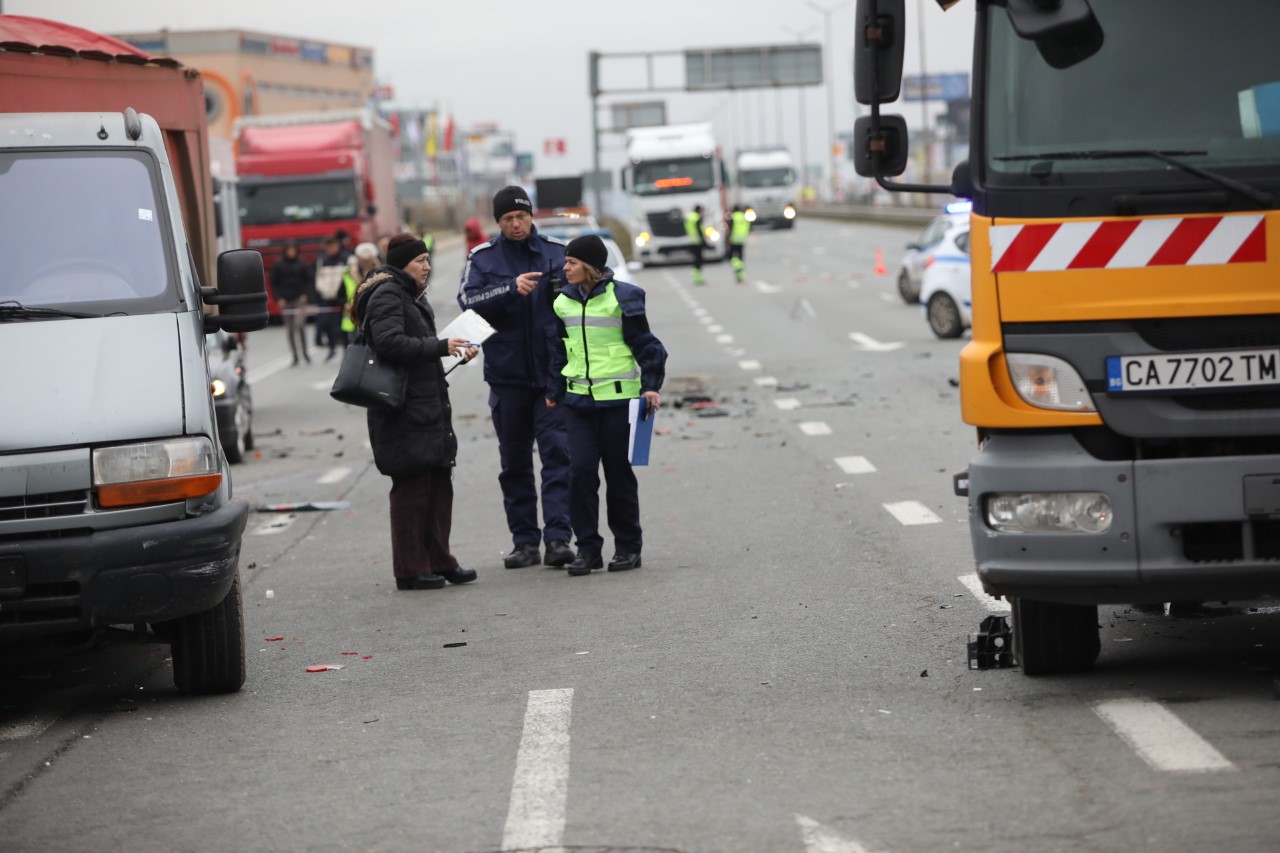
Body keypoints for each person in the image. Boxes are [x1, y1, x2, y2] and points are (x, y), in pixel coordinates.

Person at [457, 185, 575, 570]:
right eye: (507, 219)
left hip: (551, 379)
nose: (515, 224)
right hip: (507, 380)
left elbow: (585, 292)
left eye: (521, 217)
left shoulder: (558, 253)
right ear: (498, 222)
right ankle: (525, 542)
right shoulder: (483, 257)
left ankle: (559, 538)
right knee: (514, 464)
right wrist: (510, 289)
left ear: (531, 216)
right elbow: (467, 301)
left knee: (558, 457)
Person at [352, 234, 478, 591]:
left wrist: (452, 351)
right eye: (420, 260)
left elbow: (417, 352)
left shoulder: (410, 295)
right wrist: (439, 346)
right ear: (401, 263)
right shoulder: (388, 293)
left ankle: (439, 560)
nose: (427, 266)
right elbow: (388, 342)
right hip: (402, 412)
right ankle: (410, 569)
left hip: (426, 406)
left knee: (438, 487)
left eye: (428, 259)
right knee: (411, 491)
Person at [547, 235, 667, 576]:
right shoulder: (562, 302)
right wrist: (554, 389)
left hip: (619, 401)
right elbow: (559, 350)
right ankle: (588, 549)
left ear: (589, 267)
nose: (564, 267)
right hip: (578, 403)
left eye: (571, 262)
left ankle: (628, 547)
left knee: (618, 476)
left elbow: (649, 347)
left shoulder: (623, 298)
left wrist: (651, 387)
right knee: (581, 474)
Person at [270, 241, 312, 366]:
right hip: (285, 300)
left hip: (299, 299)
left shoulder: (302, 264)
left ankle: (305, 352)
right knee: (290, 329)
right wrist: (278, 298)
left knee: (299, 325)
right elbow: (274, 283)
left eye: (293, 250)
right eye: (289, 250)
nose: (291, 253)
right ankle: (294, 355)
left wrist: (306, 294)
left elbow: (308, 280)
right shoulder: (279, 265)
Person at [314, 234, 351, 360]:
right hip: (327, 297)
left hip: (342, 297)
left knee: (344, 325)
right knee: (326, 323)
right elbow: (319, 278)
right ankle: (332, 348)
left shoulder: (346, 258)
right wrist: (324, 292)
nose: (331, 249)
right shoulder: (322, 260)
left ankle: (346, 350)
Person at [341, 242, 380, 340]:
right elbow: (340, 293)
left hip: (374, 317)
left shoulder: (381, 272)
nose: (365, 263)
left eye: (367, 260)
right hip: (354, 318)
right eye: (363, 260)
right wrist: (345, 303)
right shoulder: (348, 273)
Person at [684, 204, 708, 286]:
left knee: (695, 260)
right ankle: (698, 278)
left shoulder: (689, 217)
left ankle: (696, 278)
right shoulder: (697, 218)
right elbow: (699, 231)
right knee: (699, 260)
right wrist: (704, 241)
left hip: (691, 241)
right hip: (698, 242)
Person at [727, 205, 750, 283]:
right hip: (742, 239)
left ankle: (738, 266)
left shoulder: (733, 217)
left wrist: (728, 238)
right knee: (740, 257)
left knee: (731, 257)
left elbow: (731, 228)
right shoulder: (744, 217)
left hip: (734, 239)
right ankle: (740, 275)